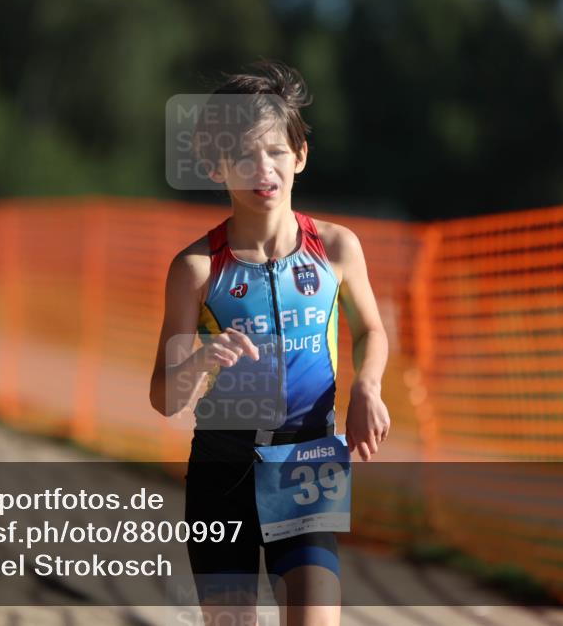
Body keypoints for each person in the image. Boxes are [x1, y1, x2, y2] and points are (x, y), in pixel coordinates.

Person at [149, 60, 390, 626]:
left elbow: (370, 330)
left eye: (277, 151)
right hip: (222, 473)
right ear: (215, 165)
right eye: (244, 155)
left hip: (306, 463)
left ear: (300, 155)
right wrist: (201, 361)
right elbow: (163, 397)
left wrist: (367, 388)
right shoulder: (196, 269)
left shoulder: (336, 248)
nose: (264, 169)